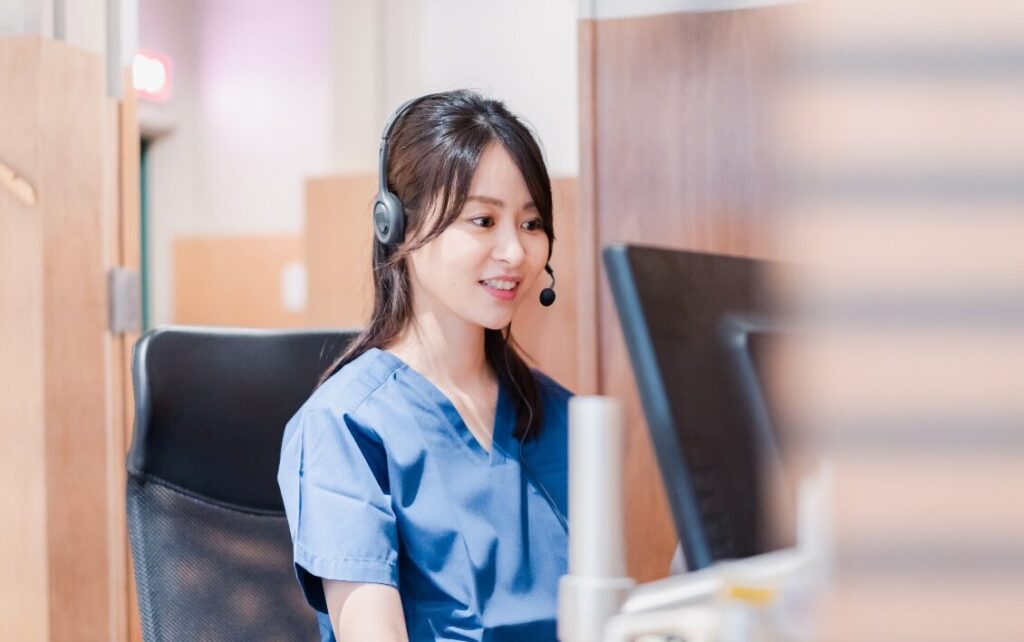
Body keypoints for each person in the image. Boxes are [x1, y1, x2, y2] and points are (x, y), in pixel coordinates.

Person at [277, 89, 572, 642]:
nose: (515, 251)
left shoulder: (565, 417)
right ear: (399, 226)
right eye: (483, 220)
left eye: (532, 224)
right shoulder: (345, 426)